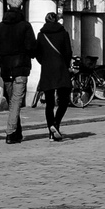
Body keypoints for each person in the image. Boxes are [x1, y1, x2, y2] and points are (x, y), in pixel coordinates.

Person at [0, 0, 35, 144]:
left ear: (8, 7)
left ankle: (17, 133)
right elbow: (31, 47)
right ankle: (10, 132)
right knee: (15, 102)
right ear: (21, 7)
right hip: (20, 68)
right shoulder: (25, 26)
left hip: (6, 68)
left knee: (13, 102)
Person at [34, 11, 73, 142]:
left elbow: (37, 53)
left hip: (47, 70)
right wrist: (65, 64)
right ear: (57, 20)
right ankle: (56, 124)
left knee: (49, 103)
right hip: (61, 69)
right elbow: (68, 52)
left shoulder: (41, 35)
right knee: (64, 101)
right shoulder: (63, 33)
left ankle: (51, 128)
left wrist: (45, 62)